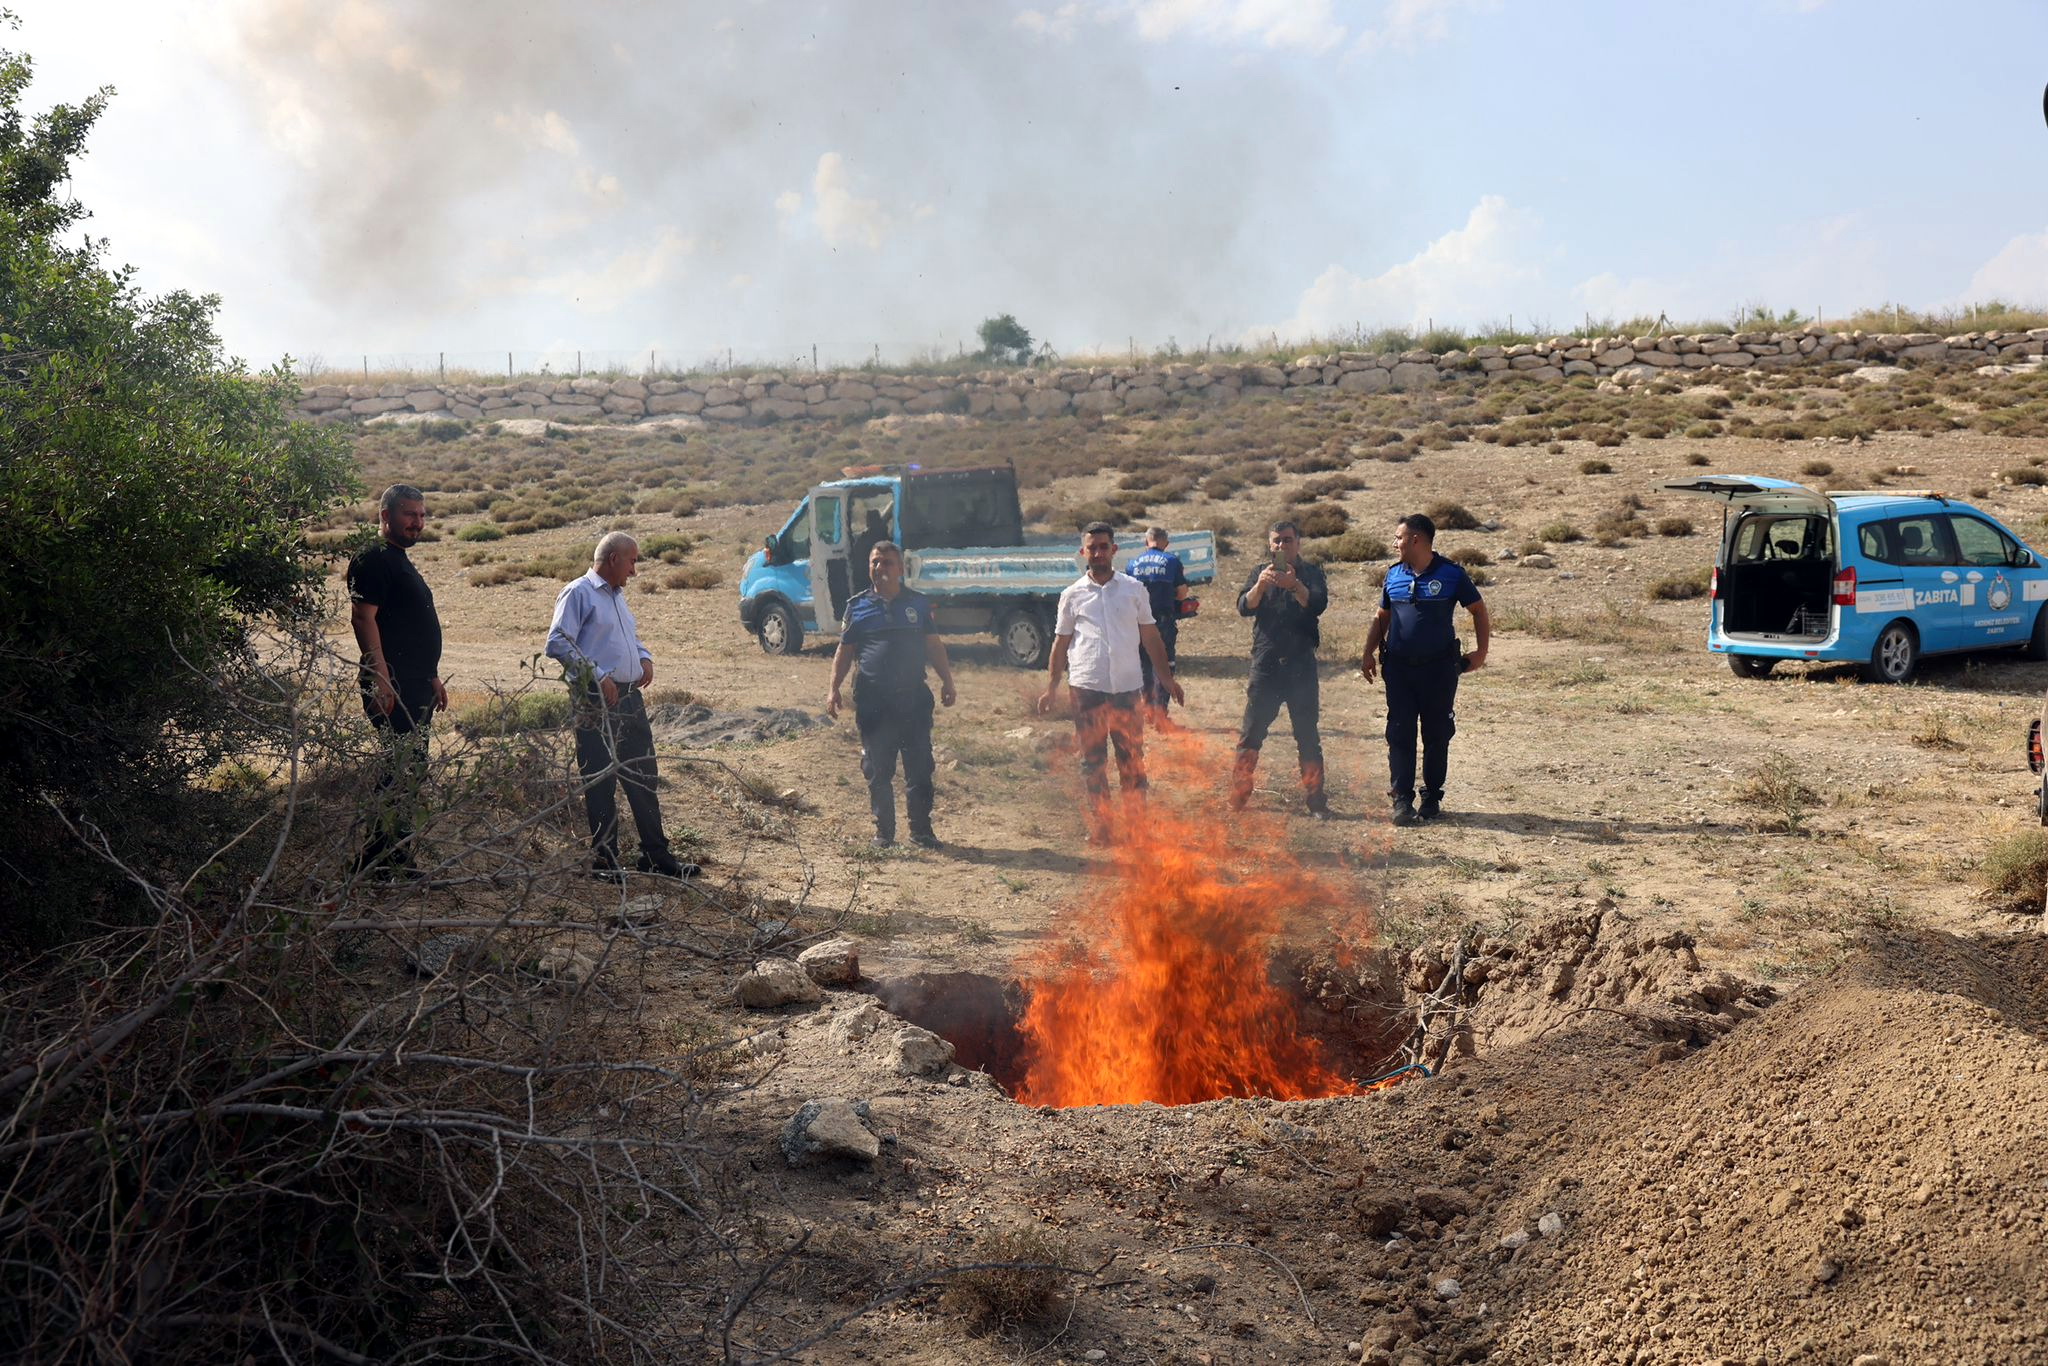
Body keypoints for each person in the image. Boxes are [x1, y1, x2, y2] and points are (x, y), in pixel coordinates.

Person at [545, 532, 698, 880]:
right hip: (594, 702)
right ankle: (605, 861)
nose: (634, 571)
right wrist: (597, 676)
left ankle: (657, 858)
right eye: (632, 562)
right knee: (600, 780)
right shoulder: (578, 593)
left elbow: (628, 637)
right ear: (613, 559)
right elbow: (557, 642)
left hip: (630, 699)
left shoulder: (617, 597)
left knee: (643, 777)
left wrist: (644, 658)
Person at [1037, 522, 1184, 844]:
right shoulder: (1072, 595)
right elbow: (1060, 644)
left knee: (1131, 760)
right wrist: (1052, 686)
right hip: (1087, 690)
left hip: (1127, 690)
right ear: (1083, 553)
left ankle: (1135, 828)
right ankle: (1102, 828)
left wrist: (1167, 679)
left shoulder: (1133, 589)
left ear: (1114, 550)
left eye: (1104, 546)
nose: (1099, 553)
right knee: (1092, 763)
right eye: (1092, 548)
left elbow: (1151, 636)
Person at [1360, 513, 1491, 826]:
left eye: (1399, 538)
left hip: (1439, 671)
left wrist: (1481, 652)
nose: (1395, 543)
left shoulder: (1451, 574)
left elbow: (1478, 610)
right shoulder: (1393, 575)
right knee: (1399, 733)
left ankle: (1432, 796)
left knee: (1437, 734)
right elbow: (1382, 617)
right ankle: (1402, 801)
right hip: (1400, 670)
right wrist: (1367, 653)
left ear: (1416, 539)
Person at [826, 541, 957, 849]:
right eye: (875, 562)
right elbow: (845, 652)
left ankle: (921, 832)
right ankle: (884, 835)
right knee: (877, 769)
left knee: (920, 767)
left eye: (886, 563)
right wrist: (833, 689)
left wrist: (948, 681)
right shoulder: (856, 606)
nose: (880, 568)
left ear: (900, 568)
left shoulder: (919, 604)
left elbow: (934, 645)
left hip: (912, 700)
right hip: (874, 704)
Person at [347, 484, 449, 880]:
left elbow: (407, 625)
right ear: (386, 515)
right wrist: (381, 676)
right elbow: (363, 618)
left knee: (410, 768)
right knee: (400, 767)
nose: (417, 523)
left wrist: (432, 675)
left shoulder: (399, 559)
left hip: (415, 681)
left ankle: (392, 856)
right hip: (393, 683)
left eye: (422, 516)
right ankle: (377, 860)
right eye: (410, 515)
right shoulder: (374, 558)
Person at [1232, 519, 1331, 818]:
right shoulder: (1259, 572)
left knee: (1307, 736)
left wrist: (1295, 585)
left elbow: (1317, 604)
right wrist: (1260, 586)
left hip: (1300, 665)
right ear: (1269, 544)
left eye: (1287, 540)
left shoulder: (1311, 572)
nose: (1281, 546)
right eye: (1276, 541)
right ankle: (1239, 795)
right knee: (1251, 734)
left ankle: (1316, 802)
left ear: (1298, 543)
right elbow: (1243, 607)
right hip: (1266, 665)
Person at [1126, 526, 1190, 727]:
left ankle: (1148, 711)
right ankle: (1160, 715)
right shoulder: (1171, 561)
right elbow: (1181, 593)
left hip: (1138, 622)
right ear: (1166, 543)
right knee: (1164, 663)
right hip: (1162, 621)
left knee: (1144, 665)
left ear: (1146, 542)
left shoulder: (1132, 564)